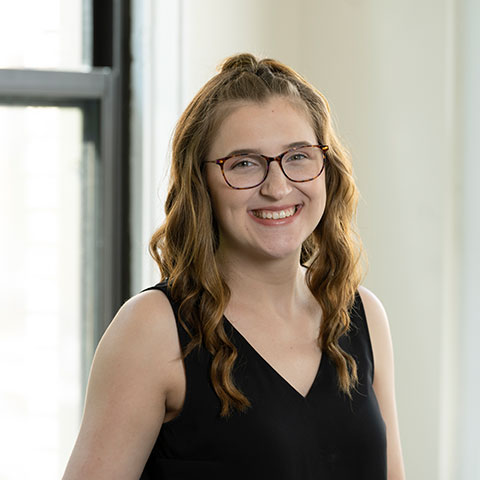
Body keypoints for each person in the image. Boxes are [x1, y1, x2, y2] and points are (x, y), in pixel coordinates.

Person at [63, 53, 405, 480]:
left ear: (326, 168)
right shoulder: (151, 328)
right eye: (244, 163)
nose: (277, 187)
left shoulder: (363, 315)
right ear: (200, 183)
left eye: (298, 156)